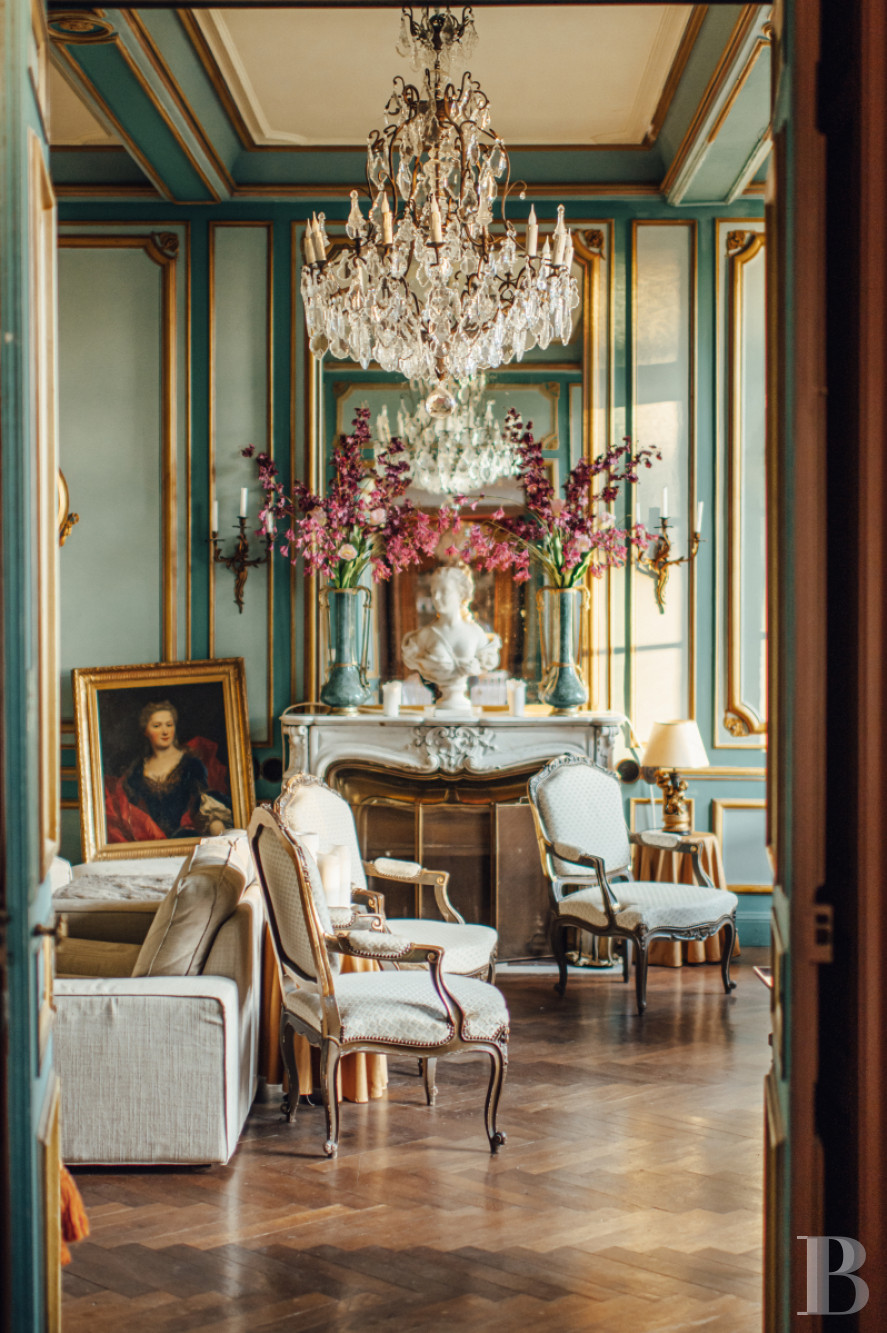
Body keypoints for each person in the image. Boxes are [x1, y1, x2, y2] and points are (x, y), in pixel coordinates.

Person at [104, 700, 234, 843]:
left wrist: (218, 833)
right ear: (146, 731)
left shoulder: (192, 764)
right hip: (149, 842)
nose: (165, 731)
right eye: (157, 726)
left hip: (185, 839)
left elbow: (204, 805)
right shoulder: (137, 770)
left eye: (169, 725)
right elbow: (131, 814)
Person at [401, 563, 501, 713]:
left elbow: (488, 660)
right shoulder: (423, 637)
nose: (437, 597)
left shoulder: (475, 633)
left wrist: (477, 667)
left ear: (461, 594)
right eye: (434, 591)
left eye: (444, 591)